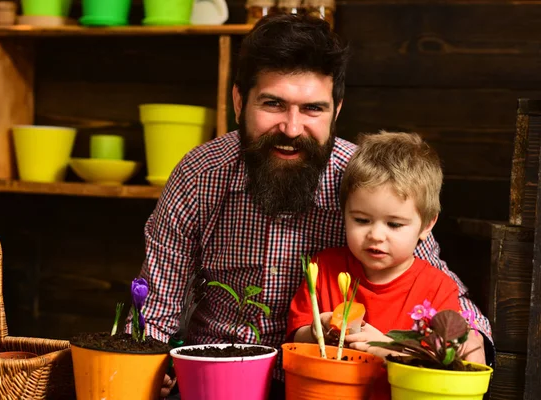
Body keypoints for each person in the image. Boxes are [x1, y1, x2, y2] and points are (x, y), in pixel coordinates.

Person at [137, 13, 493, 399]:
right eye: (273, 104)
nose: (291, 128)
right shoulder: (200, 175)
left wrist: (469, 336)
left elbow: (433, 281)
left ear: (336, 110)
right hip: (217, 377)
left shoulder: (366, 182)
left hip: (328, 384)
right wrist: (149, 365)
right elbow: (158, 303)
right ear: (239, 101)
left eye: (312, 109)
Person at [287, 131, 486, 366]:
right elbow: (295, 339)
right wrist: (316, 330)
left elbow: (444, 365)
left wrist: (388, 351)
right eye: (361, 220)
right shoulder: (323, 269)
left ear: (427, 225)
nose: (376, 235)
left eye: (394, 224)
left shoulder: (438, 289)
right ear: (344, 213)